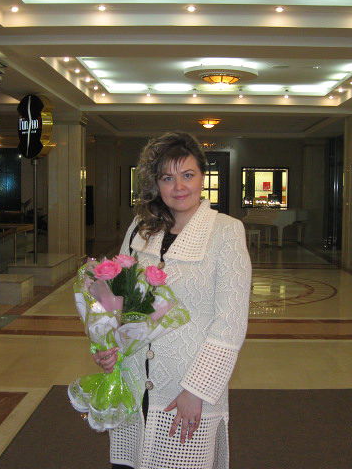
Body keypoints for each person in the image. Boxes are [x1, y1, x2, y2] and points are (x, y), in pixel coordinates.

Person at [92, 131, 251, 469]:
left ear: (203, 177)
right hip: (133, 379)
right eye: (167, 178)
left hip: (185, 383)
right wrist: (108, 345)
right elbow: (119, 298)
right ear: (156, 183)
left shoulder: (226, 231)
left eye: (188, 175)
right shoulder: (140, 228)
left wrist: (198, 390)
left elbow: (230, 323)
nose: (179, 187)